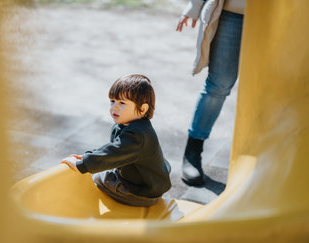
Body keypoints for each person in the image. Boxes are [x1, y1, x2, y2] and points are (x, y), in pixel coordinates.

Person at [61, 74, 171, 207]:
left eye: (122, 103)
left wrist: (83, 164)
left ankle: (82, 206)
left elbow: (113, 154)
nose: (114, 107)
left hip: (141, 194)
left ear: (142, 109)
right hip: (142, 183)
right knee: (100, 170)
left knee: (95, 177)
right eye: (112, 101)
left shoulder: (137, 135)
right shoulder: (126, 125)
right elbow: (111, 149)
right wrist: (86, 156)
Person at [176, 0, 245, 186]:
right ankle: (193, 151)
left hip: (279, 19)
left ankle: (265, 160)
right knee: (219, 84)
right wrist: (195, 6)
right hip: (235, 12)